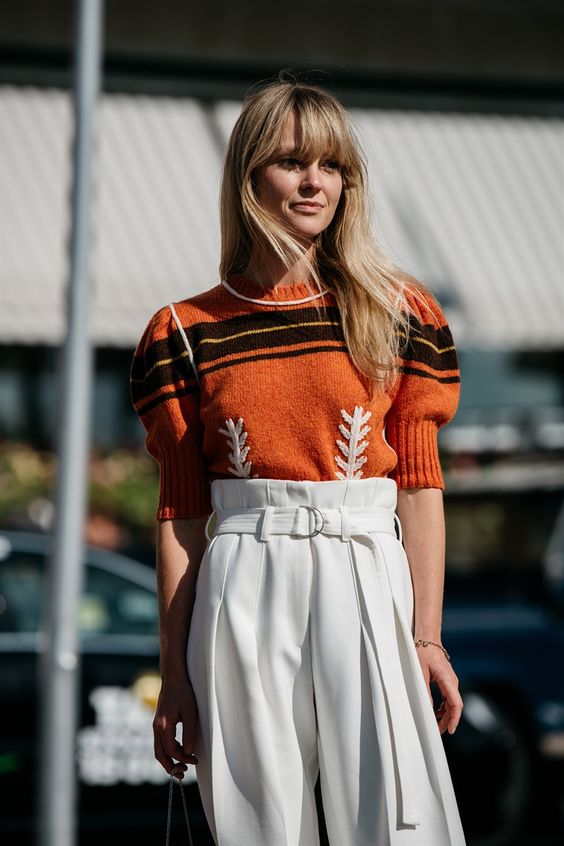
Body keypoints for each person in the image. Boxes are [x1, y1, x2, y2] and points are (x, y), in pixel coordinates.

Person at [131, 75, 466, 846]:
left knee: (395, 819)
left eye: (332, 164)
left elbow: (418, 486)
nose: (314, 181)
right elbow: (181, 515)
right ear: (249, 177)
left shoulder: (401, 314)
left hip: (367, 569)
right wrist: (175, 676)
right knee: (257, 825)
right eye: (290, 161)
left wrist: (427, 636)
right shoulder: (182, 332)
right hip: (244, 574)